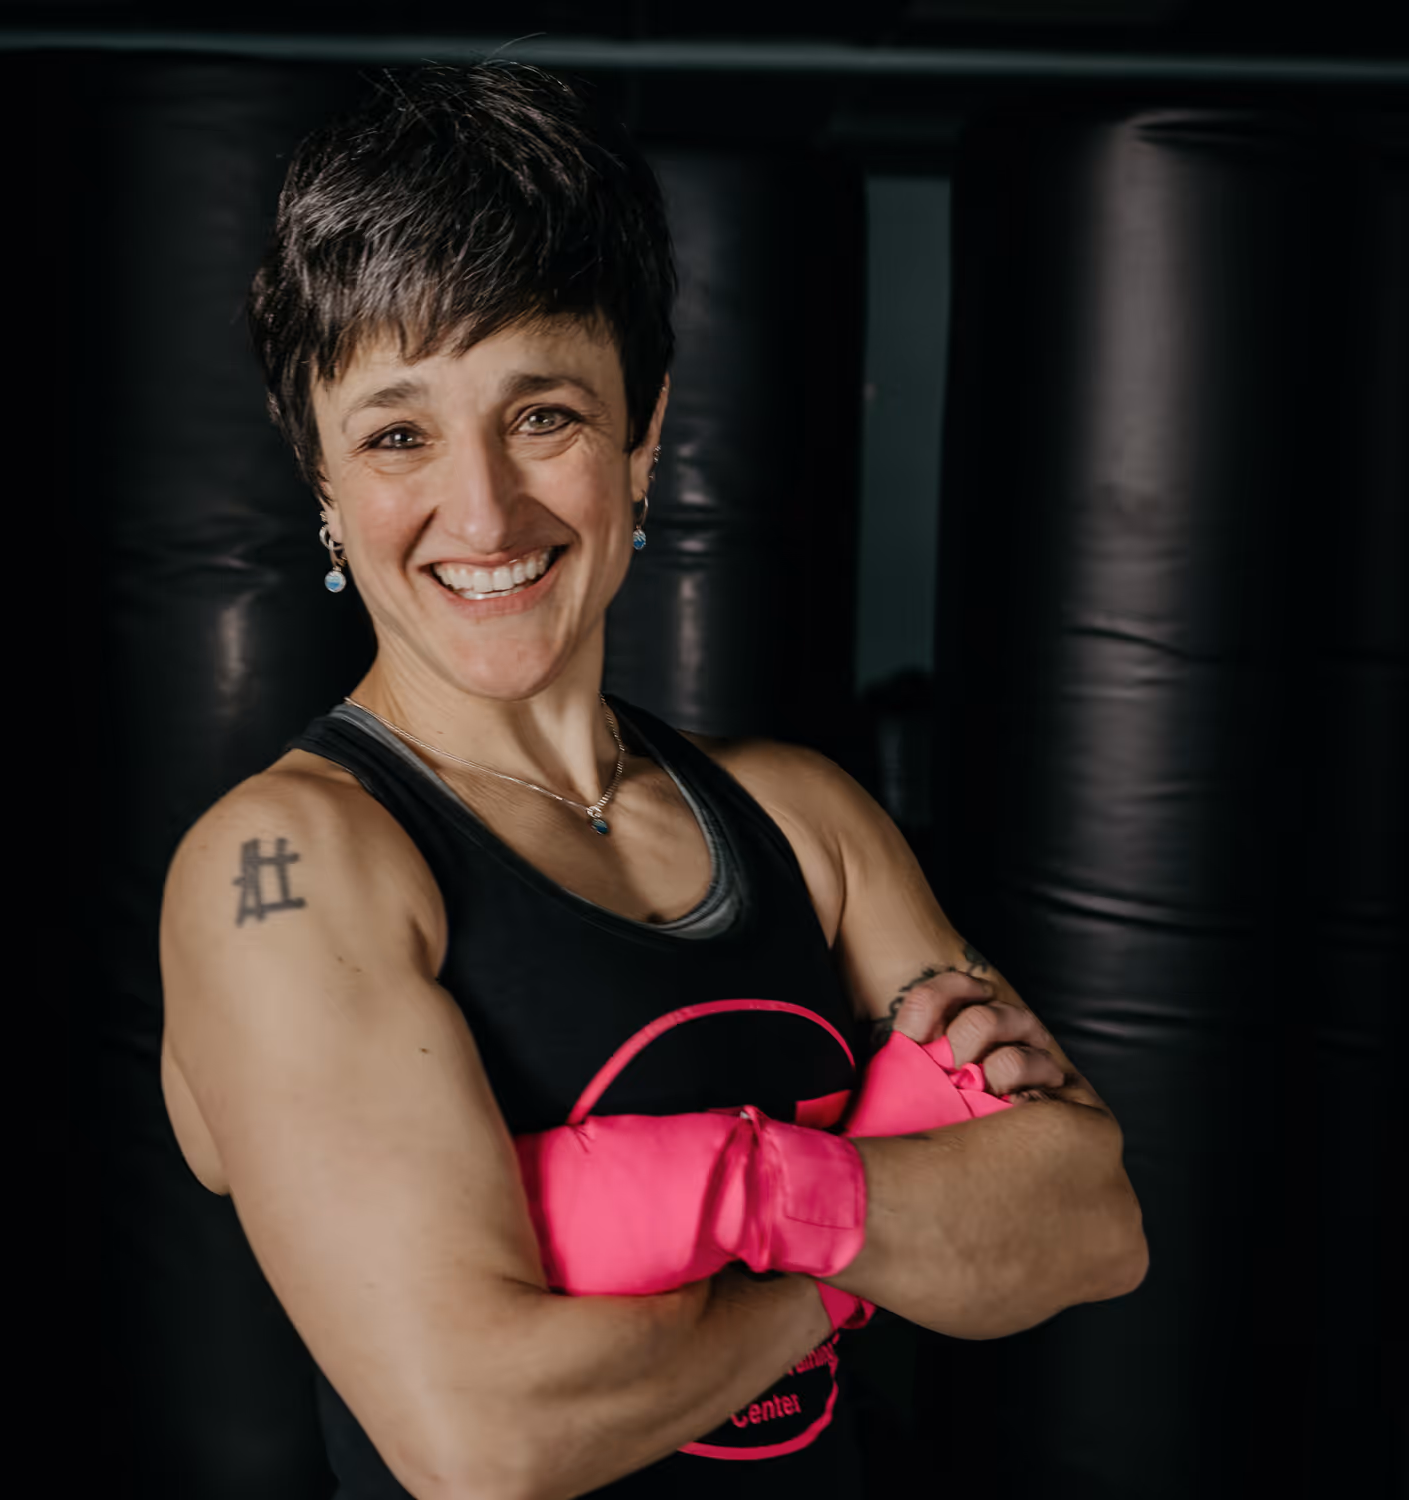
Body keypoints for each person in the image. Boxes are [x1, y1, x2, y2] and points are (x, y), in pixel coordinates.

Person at [158, 62, 1147, 1500]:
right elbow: (485, 1436)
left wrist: (719, 1201)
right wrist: (859, 1247)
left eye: (543, 414)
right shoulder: (291, 869)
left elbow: (1088, 1221)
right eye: (398, 434)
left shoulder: (805, 821)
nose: (482, 509)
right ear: (322, 482)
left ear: (644, 435)